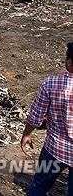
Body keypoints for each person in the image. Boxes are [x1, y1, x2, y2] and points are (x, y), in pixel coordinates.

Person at [21, 42, 73, 195]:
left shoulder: (51, 84)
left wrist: (27, 134)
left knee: (40, 185)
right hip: (57, 148)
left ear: (69, 62)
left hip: (56, 149)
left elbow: (35, 117)